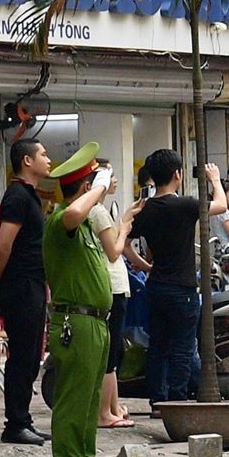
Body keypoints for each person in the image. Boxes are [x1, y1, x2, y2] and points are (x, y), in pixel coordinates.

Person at [42, 144, 118, 457]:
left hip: (96, 321)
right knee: (73, 399)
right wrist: (99, 186)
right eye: (97, 186)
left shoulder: (86, 226)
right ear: (86, 189)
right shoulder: (63, 221)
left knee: (89, 401)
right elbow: (73, 213)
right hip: (76, 321)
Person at [129, 149, 225, 404]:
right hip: (182, 289)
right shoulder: (185, 205)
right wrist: (214, 179)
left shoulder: (145, 209)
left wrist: (144, 266)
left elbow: (126, 245)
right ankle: (177, 400)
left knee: (157, 347)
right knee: (182, 348)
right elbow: (222, 205)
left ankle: (158, 403)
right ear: (177, 174)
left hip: (156, 287)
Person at [0, 138, 52, 444]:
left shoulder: (30, 196)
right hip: (19, 286)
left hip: (33, 284)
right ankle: (15, 423)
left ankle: (24, 418)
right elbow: (3, 246)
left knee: (31, 357)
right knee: (21, 356)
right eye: (43, 154)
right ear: (27, 161)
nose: (48, 159)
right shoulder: (17, 196)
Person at [87, 163, 135, 428]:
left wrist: (125, 218)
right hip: (112, 286)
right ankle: (105, 413)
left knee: (114, 350)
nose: (114, 180)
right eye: (109, 175)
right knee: (110, 352)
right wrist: (125, 231)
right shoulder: (98, 213)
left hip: (114, 285)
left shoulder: (100, 211)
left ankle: (113, 407)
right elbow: (114, 252)